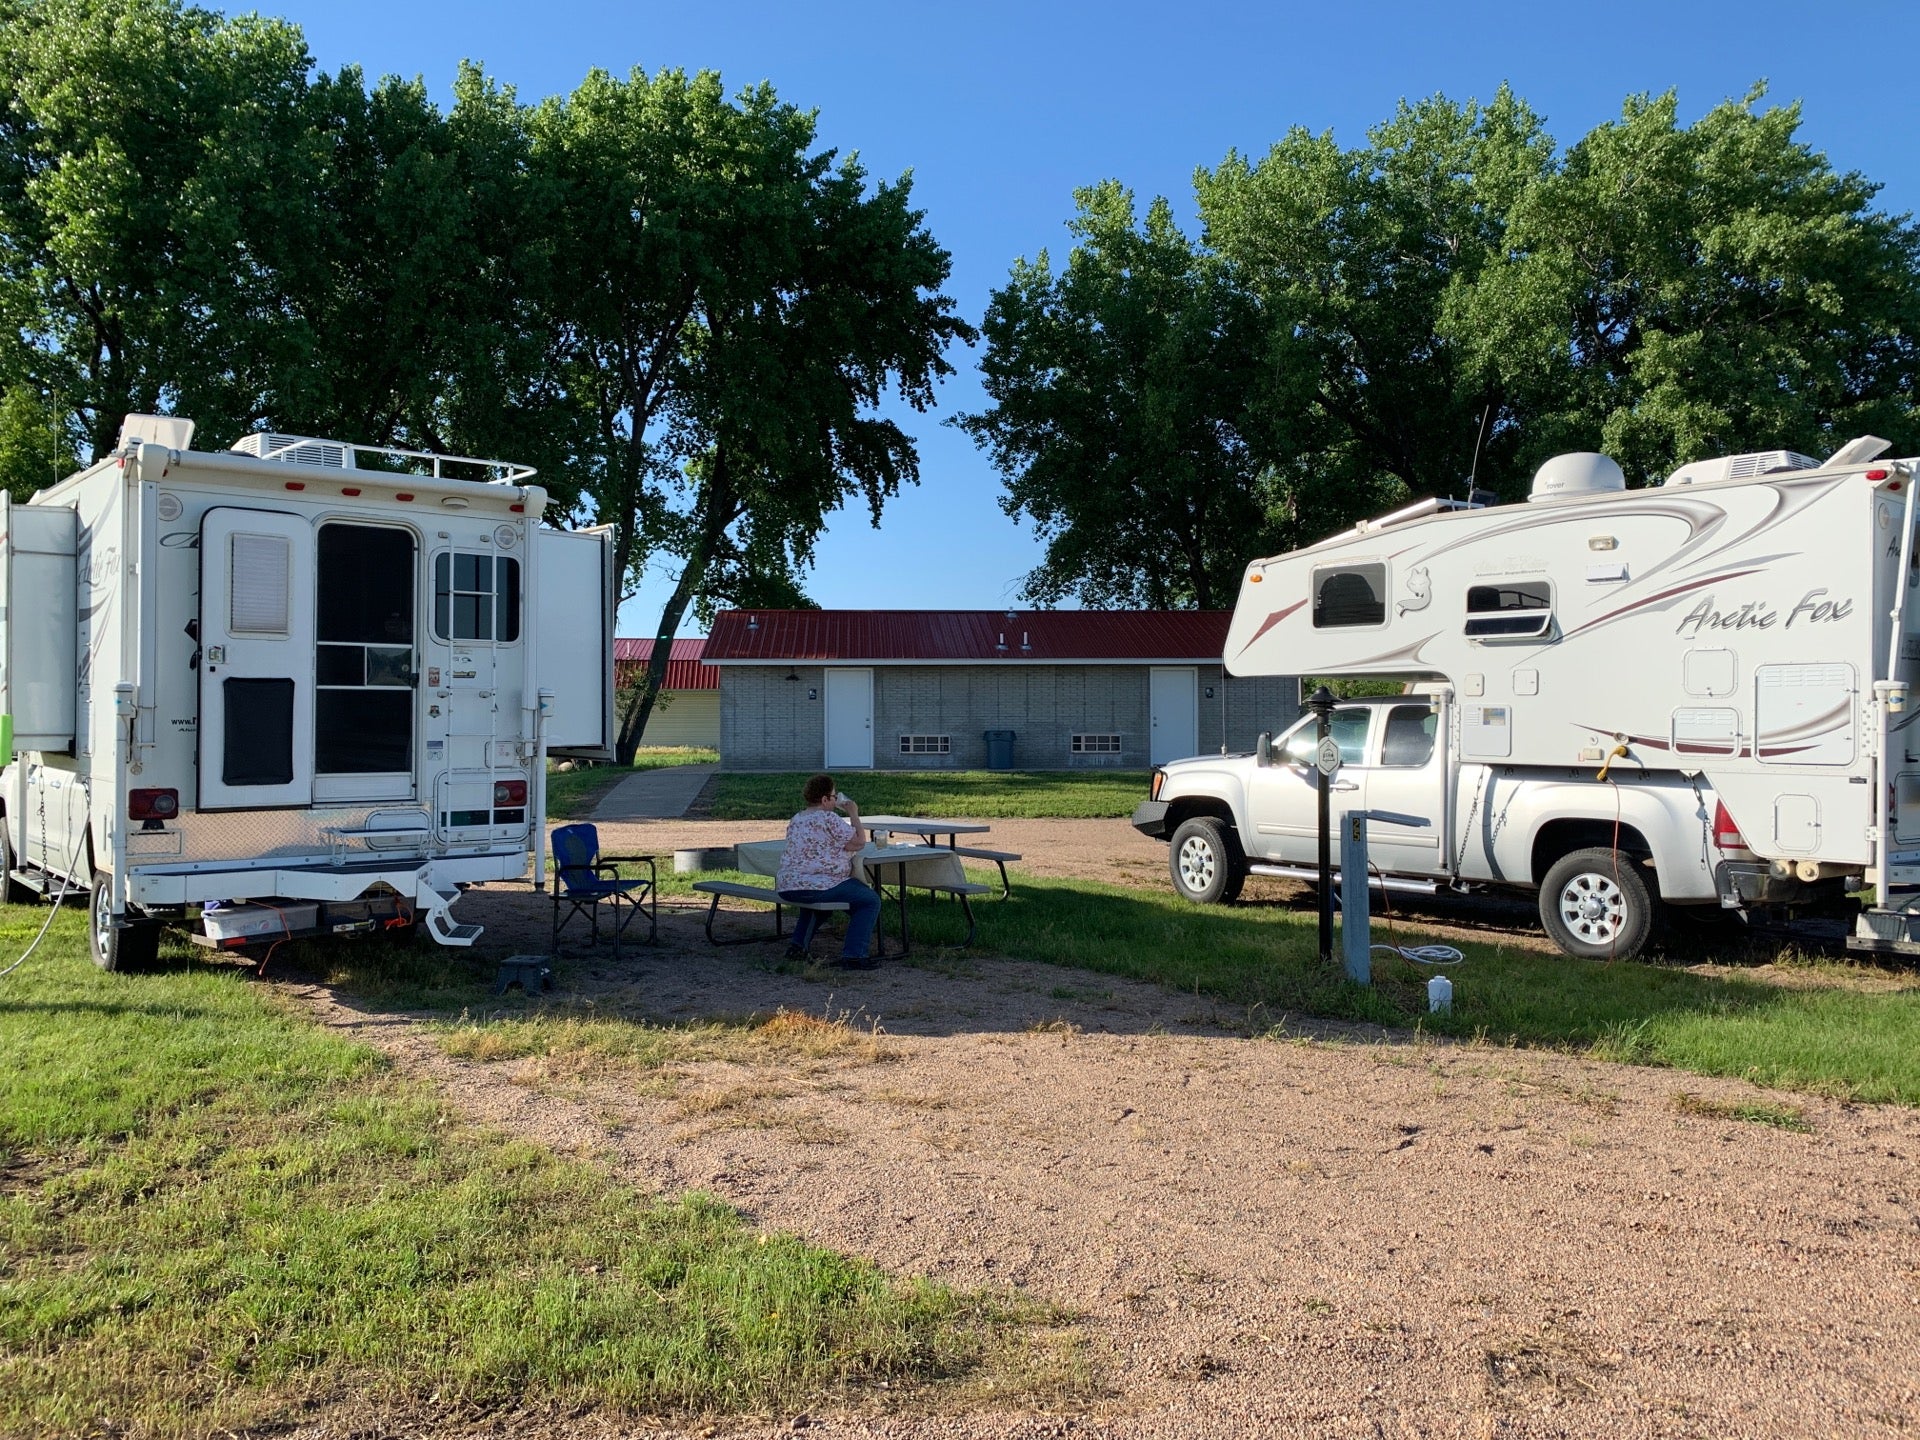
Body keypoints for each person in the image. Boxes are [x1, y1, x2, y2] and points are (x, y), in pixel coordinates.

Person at [776, 773, 883, 967]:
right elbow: (859, 842)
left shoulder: (797, 819)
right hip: (819, 883)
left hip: (788, 884)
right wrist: (853, 813)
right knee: (869, 900)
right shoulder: (828, 818)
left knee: (822, 905)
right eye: (834, 797)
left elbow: (836, 843)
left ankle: (798, 947)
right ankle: (855, 955)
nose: (835, 801)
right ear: (825, 799)